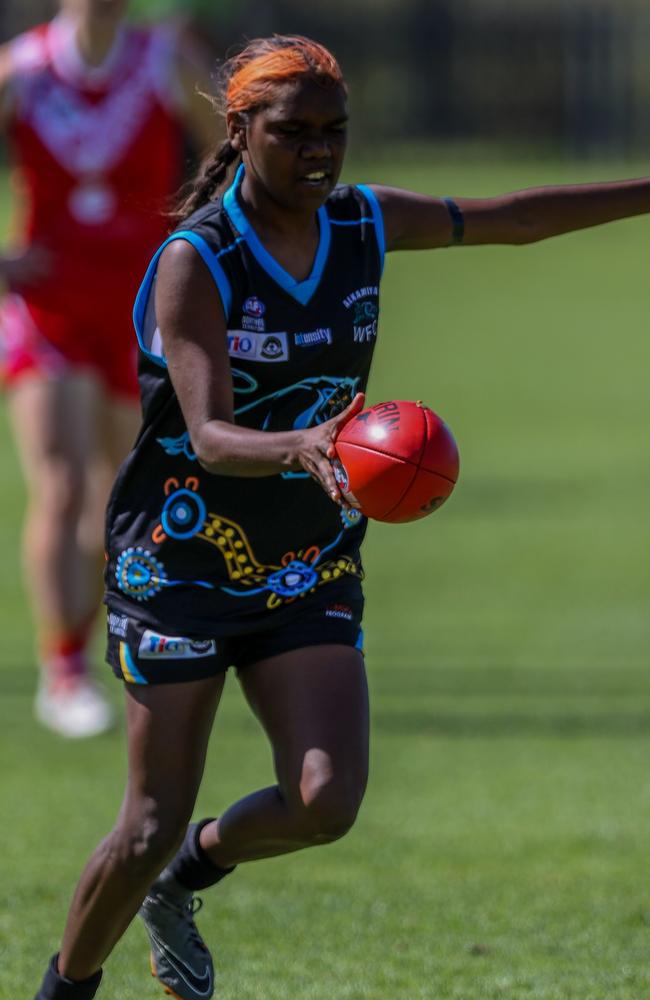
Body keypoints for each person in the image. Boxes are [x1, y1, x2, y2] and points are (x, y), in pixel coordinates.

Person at [31, 32, 650, 1000]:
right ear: (240, 131)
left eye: (335, 132)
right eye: (293, 133)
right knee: (145, 821)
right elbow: (204, 436)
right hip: (178, 564)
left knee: (325, 802)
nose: (319, 152)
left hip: (303, 560)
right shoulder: (200, 259)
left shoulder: (361, 223)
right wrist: (307, 445)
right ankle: (66, 984)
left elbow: (515, 218)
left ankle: (187, 878)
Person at [0, 0, 218, 737]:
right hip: (47, 309)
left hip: (139, 311)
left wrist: (206, 251)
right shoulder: (22, 72)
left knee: (115, 499)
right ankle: (62, 670)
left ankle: (91, 642)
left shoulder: (164, 61)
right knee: (58, 483)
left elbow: (232, 157)